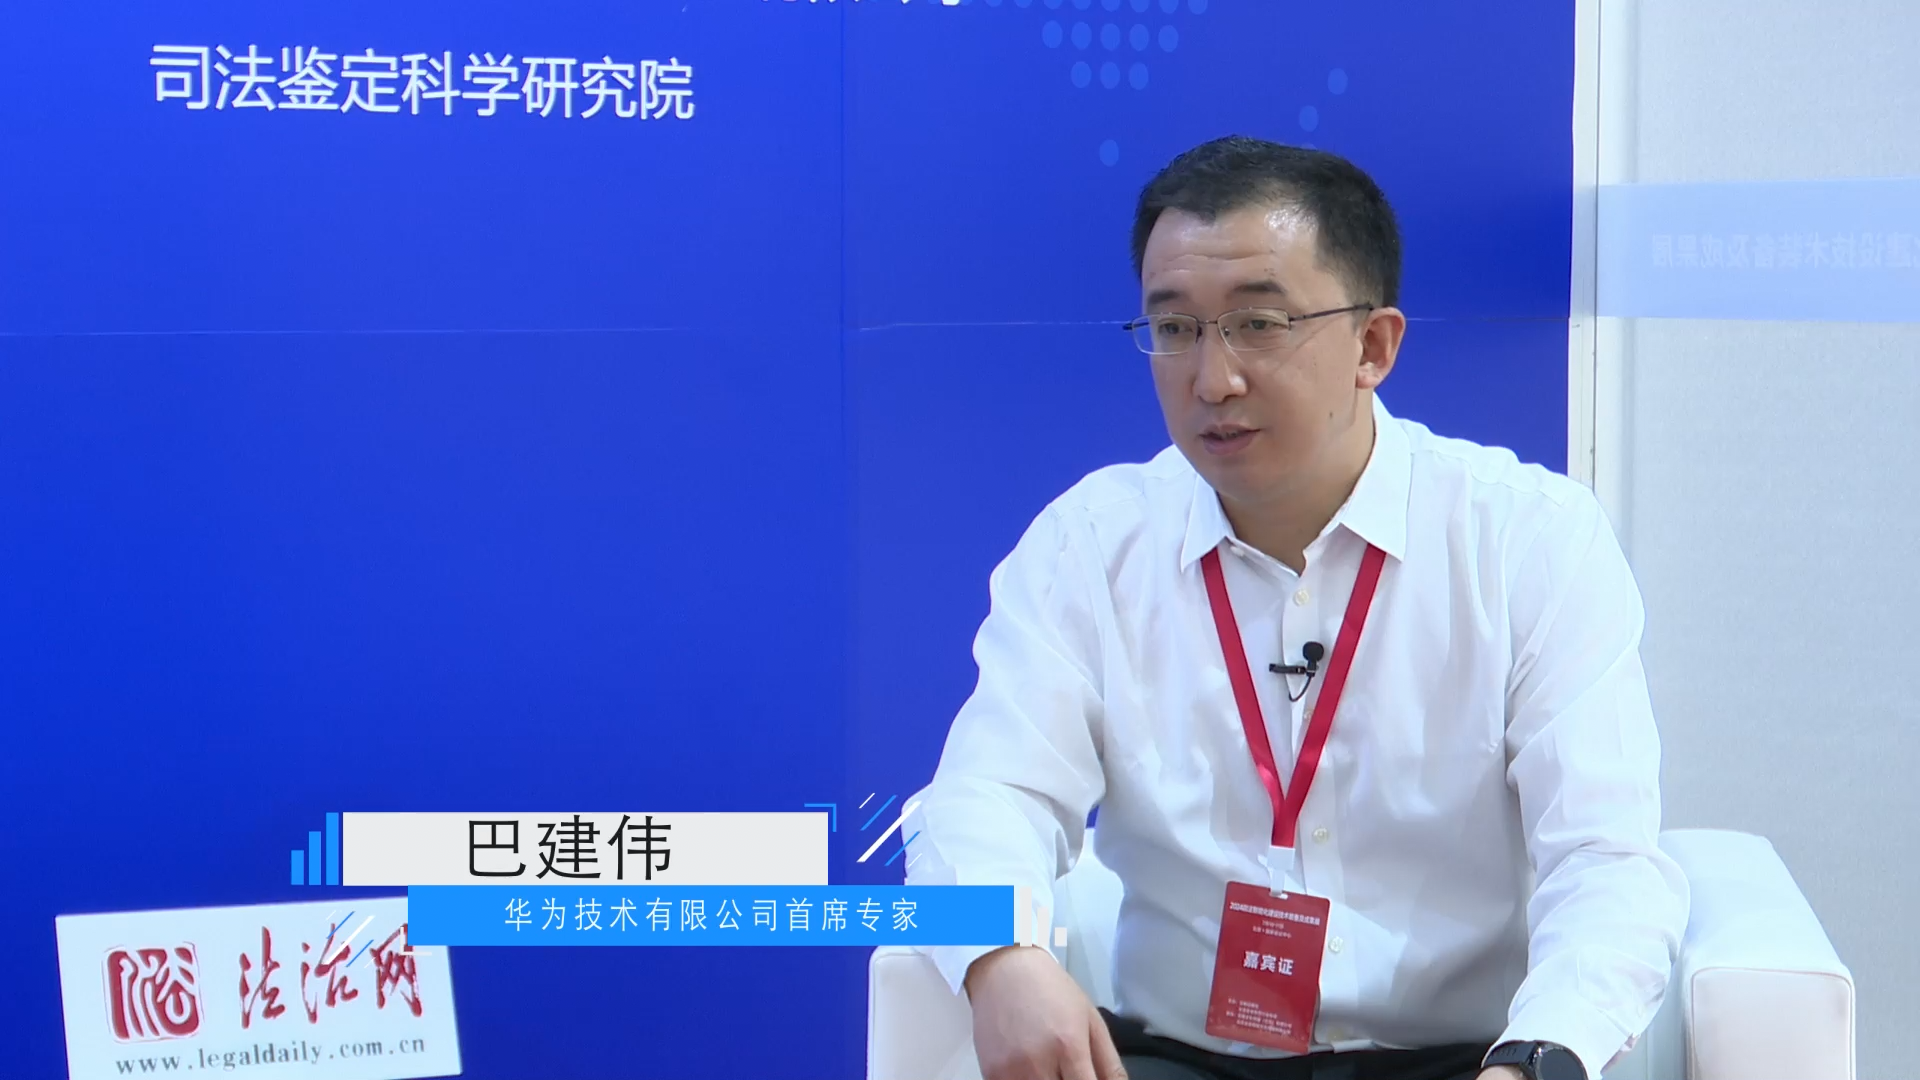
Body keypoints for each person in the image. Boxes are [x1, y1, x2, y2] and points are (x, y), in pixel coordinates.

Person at [900, 137, 1690, 1080]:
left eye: (1259, 325)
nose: (1212, 380)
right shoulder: (1093, 545)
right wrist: (1001, 958)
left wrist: (1536, 1060)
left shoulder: (1527, 540)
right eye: (1176, 328)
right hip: (1182, 1061)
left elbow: (1604, 858)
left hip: (1464, 1061)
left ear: (1373, 346)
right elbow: (989, 794)